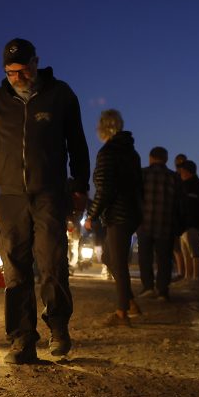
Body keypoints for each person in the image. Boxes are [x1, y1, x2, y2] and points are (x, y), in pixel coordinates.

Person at [0, 37, 89, 364]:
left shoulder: (61, 96)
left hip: (50, 194)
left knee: (53, 261)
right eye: (11, 72)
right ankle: (22, 338)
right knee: (15, 269)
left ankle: (58, 327)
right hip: (10, 198)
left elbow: (77, 145)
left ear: (36, 63)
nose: (18, 77)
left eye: (23, 70)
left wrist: (79, 185)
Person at [84, 110, 142, 326]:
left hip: (118, 214)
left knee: (117, 262)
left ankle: (121, 313)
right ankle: (131, 303)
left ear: (103, 127)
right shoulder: (131, 153)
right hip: (131, 212)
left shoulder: (108, 152)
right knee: (109, 258)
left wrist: (92, 215)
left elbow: (104, 188)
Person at [137, 146, 181, 303]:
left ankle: (148, 287)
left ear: (150, 158)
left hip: (145, 223)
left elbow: (137, 197)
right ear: (166, 159)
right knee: (164, 259)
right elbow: (179, 202)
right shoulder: (174, 177)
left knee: (145, 257)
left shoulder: (143, 174)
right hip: (166, 224)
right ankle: (162, 291)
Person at [178, 159, 199, 287]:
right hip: (186, 225)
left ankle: (195, 278)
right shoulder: (191, 185)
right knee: (187, 253)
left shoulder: (194, 185)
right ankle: (188, 277)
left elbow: (194, 206)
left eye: (182, 171)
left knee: (194, 253)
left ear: (187, 171)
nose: (180, 174)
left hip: (193, 224)